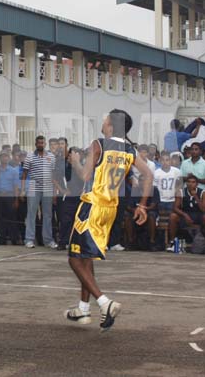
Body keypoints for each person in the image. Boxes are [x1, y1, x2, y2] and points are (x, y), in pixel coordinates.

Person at [64, 109, 153, 331]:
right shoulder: (130, 149)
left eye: (105, 120)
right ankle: (83, 309)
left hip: (92, 206)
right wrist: (142, 205)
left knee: (74, 258)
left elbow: (85, 176)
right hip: (110, 209)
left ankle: (105, 302)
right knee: (86, 256)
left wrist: (75, 161)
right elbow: (149, 175)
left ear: (111, 125)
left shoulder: (99, 144)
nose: (102, 122)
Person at [21, 135, 57, 249]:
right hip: (33, 187)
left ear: (45, 144)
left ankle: (48, 240)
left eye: (42, 143)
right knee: (31, 214)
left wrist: (55, 191)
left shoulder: (51, 156)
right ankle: (29, 239)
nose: (41, 144)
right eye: (39, 143)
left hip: (47, 187)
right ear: (36, 144)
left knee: (48, 215)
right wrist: (22, 190)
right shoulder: (30, 156)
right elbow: (24, 174)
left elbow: (53, 175)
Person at [167, 175, 205, 251]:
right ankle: (172, 242)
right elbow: (175, 207)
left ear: (197, 184)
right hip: (186, 214)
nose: (190, 184)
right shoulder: (181, 192)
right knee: (173, 216)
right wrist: (185, 215)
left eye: (193, 182)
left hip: (198, 215)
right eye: (188, 182)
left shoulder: (203, 192)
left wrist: (195, 196)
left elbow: (204, 209)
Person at [0, 150, 22, 245]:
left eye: (6, 156)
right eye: (3, 156)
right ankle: (1, 238)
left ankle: (14, 239)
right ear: (0, 158)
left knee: (12, 218)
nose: (5, 158)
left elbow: (16, 186)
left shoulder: (13, 171)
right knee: (0, 219)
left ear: (9, 158)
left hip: (9, 196)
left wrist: (16, 200)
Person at [123, 185, 160, 250]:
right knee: (127, 215)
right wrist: (136, 210)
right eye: (141, 180)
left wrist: (143, 209)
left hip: (148, 211)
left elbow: (153, 205)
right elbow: (128, 206)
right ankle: (130, 242)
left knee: (152, 215)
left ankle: (152, 242)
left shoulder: (154, 190)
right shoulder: (135, 190)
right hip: (136, 213)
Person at [153, 151, 182, 229]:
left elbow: (179, 187)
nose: (165, 162)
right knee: (159, 221)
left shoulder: (177, 172)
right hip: (160, 201)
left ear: (170, 161)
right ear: (160, 161)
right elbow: (155, 189)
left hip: (173, 201)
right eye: (163, 160)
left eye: (167, 160)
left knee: (173, 220)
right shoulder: (156, 173)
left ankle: (173, 239)